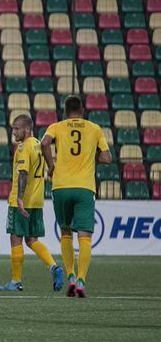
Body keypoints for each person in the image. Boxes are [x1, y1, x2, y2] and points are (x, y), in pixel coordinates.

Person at [41, 95, 112, 297]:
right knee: (85, 236)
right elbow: (107, 158)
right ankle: (81, 280)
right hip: (84, 188)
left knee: (65, 232)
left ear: (65, 111)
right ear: (81, 110)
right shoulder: (94, 128)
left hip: (61, 186)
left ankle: (70, 275)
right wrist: (92, 156)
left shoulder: (56, 126)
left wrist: (51, 166)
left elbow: (44, 144)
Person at [0, 114, 64, 292]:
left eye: (16, 128)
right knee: (32, 239)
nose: (14, 132)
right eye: (13, 128)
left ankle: (16, 281)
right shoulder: (38, 145)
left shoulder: (23, 147)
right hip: (37, 200)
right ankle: (54, 267)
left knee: (15, 238)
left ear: (27, 129)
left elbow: (23, 174)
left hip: (22, 201)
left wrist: (19, 198)